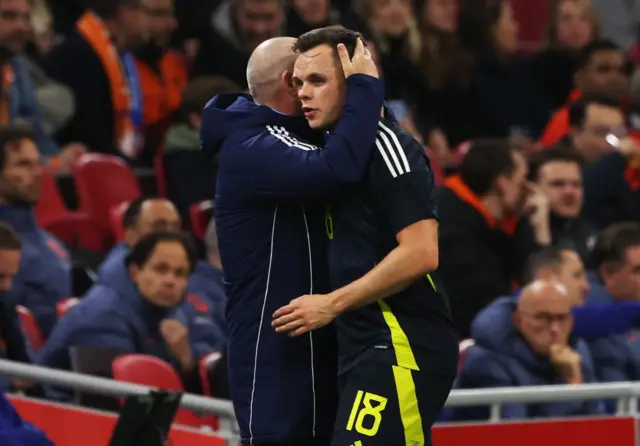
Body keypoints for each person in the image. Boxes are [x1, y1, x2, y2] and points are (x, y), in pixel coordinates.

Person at [272, 27, 458, 446]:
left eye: (318, 81)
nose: (304, 94)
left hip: (401, 342)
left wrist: (331, 304)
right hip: (361, 346)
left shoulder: (389, 147)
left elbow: (421, 253)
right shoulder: (332, 153)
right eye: (298, 83)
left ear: (357, 82)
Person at [200, 35, 383, 445]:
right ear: (291, 81)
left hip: (317, 346)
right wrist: (367, 89)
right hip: (277, 360)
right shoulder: (252, 145)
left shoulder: (289, 137)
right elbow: (337, 171)